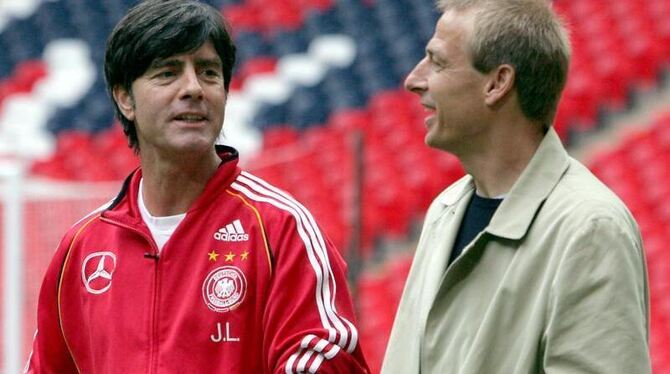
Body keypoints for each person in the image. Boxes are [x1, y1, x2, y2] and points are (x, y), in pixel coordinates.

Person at [26, 1, 370, 373]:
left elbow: (328, 359)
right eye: (167, 73)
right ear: (125, 98)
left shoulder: (280, 228)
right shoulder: (80, 249)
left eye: (208, 72)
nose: (193, 88)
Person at [381, 0, 650, 373]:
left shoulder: (590, 229)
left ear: (498, 83)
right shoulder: (445, 210)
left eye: (438, 62)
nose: (414, 80)